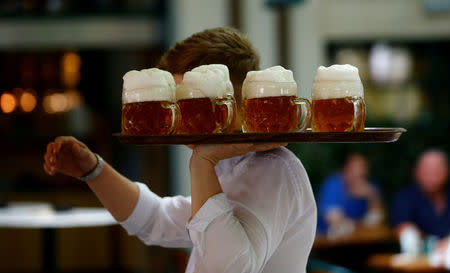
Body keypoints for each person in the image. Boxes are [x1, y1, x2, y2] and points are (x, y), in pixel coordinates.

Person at [42, 28, 317, 273]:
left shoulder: (275, 168)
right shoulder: (227, 165)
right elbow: (154, 219)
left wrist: (201, 162)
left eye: (189, 100)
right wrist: (93, 169)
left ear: (230, 102)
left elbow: (227, 268)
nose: (176, 115)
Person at [317, 153, 384, 235]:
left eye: (363, 167)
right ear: (346, 170)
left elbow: (378, 219)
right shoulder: (333, 184)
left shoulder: (370, 187)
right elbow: (333, 220)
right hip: (325, 241)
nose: (360, 171)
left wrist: (372, 197)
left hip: (360, 240)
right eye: (355, 168)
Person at [391, 149, 450, 239]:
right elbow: (402, 228)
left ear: (446, 171)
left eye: (436, 172)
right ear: (416, 171)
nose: (430, 177)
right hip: (419, 250)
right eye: (426, 171)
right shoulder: (405, 197)